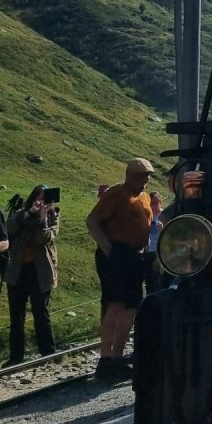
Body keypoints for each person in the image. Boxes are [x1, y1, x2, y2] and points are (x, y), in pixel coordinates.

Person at [86, 157, 155, 380]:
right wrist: (107, 248)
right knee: (115, 303)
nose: (145, 180)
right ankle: (105, 359)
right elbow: (93, 221)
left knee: (132, 306)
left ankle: (117, 356)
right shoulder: (116, 194)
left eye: (147, 176)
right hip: (116, 254)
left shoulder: (144, 197)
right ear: (129, 175)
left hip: (136, 256)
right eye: (140, 176)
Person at [4, 186, 58, 365]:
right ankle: (15, 358)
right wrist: (28, 213)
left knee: (40, 312)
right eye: (38, 197)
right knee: (16, 315)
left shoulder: (53, 215)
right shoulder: (21, 213)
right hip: (17, 271)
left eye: (45, 198)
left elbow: (45, 238)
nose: (41, 201)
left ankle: (48, 353)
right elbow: (8, 229)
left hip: (40, 271)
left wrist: (42, 218)